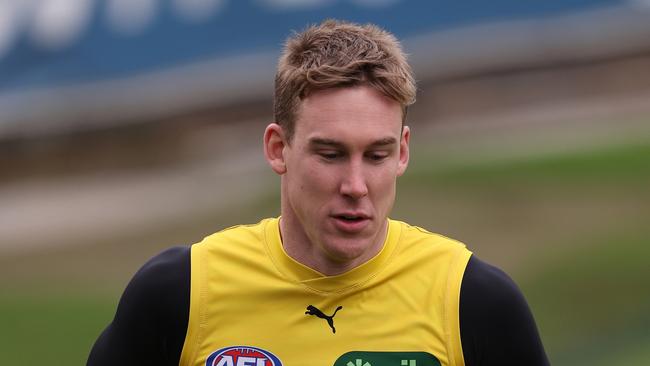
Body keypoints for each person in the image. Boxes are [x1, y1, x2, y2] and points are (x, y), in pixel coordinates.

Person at [88, 20, 549, 366]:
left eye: (376, 156)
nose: (355, 186)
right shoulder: (181, 295)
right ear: (277, 148)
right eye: (330, 154)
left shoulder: (472, 302)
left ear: (403, 153)